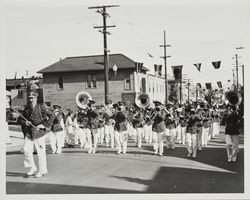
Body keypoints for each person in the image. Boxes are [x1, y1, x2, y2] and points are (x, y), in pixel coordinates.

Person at [18, 91, 55, 178]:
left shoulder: (41, 106)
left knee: (40, 153)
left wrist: (45, 125)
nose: (31, 100)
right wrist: (25, 122)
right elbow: (19, 120)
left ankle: (42, 171)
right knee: (27, 150)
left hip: (39, 132)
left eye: (32, 98)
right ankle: (32, 167)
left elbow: (52, 115)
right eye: (30, 98)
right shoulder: (26, 108)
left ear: (36, 98)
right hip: (29, 133)